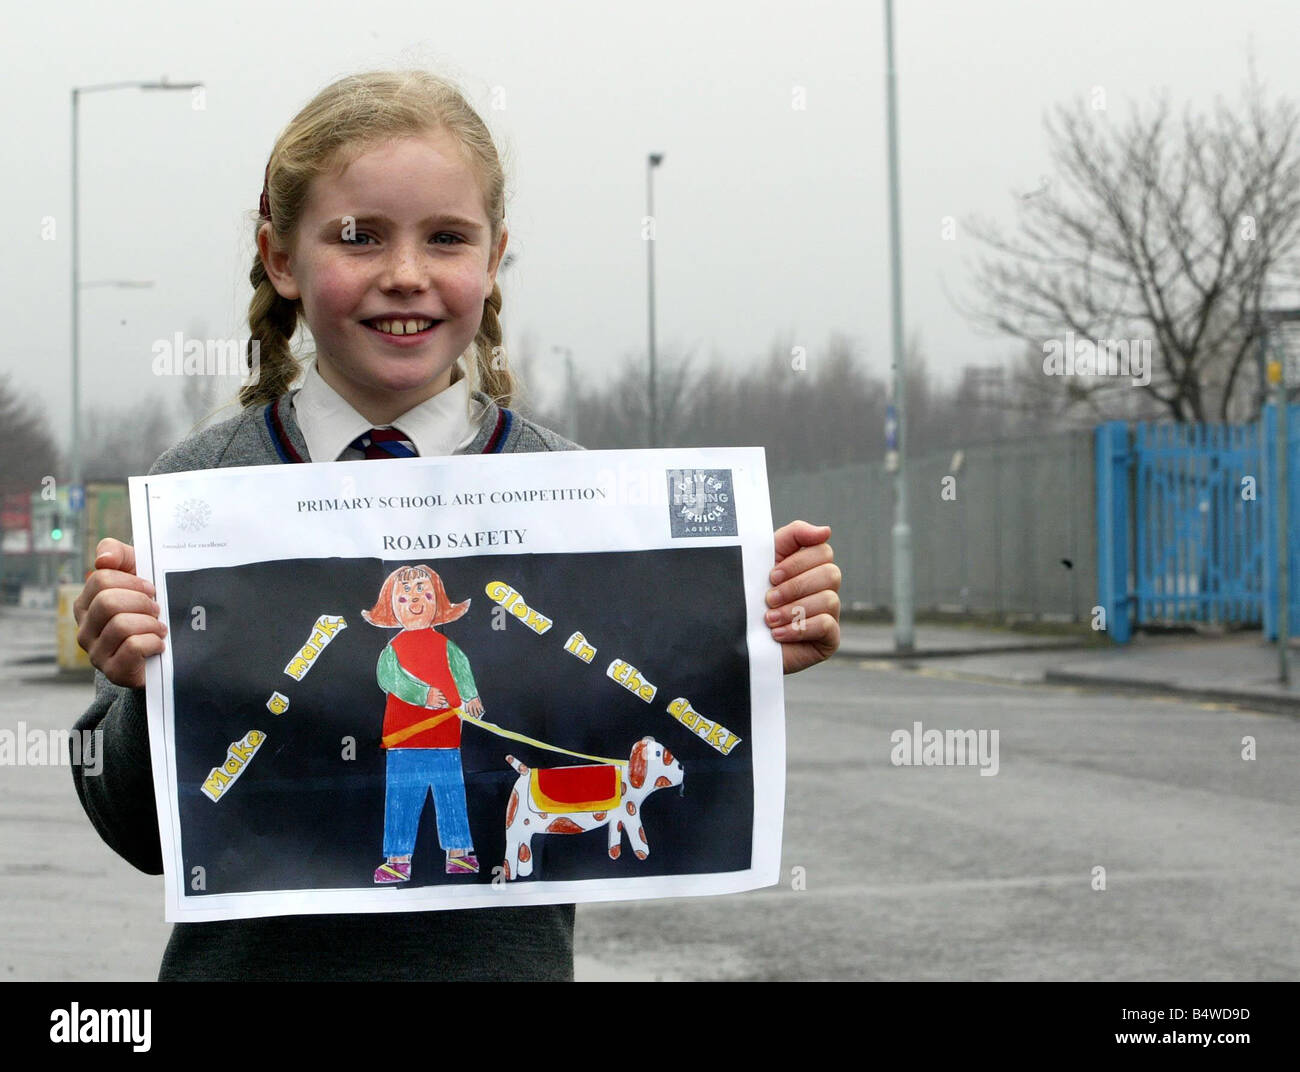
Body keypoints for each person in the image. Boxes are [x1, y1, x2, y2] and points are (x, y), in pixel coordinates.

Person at [71, 69, 842, 982]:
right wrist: (132, 687)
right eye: (358, 237)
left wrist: (745, 647)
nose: (406, 275)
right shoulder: (199, 490)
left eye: (446, 238)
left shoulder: (575, 498)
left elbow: (643, 733)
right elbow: (140, 831)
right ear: (281, 258)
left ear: (495, 255)